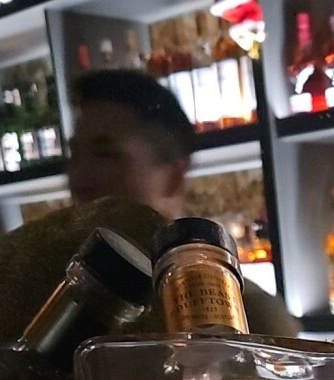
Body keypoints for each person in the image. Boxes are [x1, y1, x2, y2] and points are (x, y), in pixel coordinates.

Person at [67, 68, 299, 338]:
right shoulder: (60, 294)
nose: (78, 177)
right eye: (74, 154)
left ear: (174, 177)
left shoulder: (247, 315)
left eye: (106, 155)